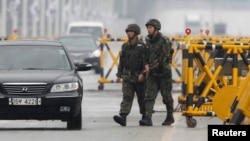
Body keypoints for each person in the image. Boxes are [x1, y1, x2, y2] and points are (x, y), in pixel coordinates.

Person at [139, 19, 175, 126]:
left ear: (156, 29)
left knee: (166, 96)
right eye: (148, 28)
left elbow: (163, 58)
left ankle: (170, 116)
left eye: (150, 28)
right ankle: (148, 118)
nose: (148, 30)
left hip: (164, 73)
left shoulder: (165, 41)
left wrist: (150, 67)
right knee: (149, 96)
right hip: (152, 74)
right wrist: (145, 65)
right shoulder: (147, 40)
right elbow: (145, 55)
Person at [113, 23, 147, 126]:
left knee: (142, 98)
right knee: (126, 97)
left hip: (139, 76)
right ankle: (123, 117)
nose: (129, 33)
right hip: (127, 76)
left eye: (131, 31)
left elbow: (146, 63)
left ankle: (145, 117)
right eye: (127, 31)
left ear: (136, 33)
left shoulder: (142, 46)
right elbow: (122, 61)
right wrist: (119, 75)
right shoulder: (125, 46)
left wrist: (143, 74)